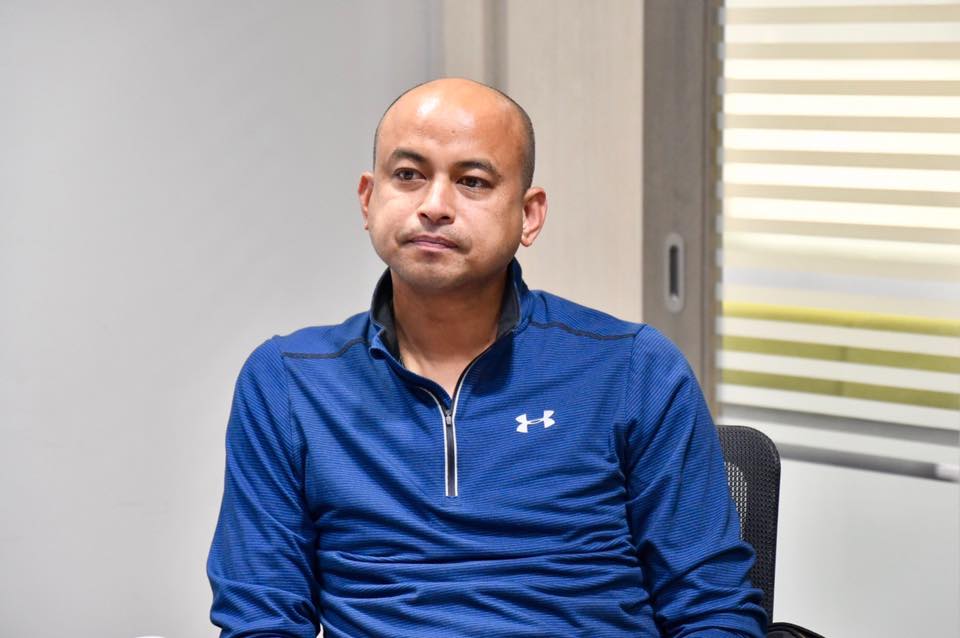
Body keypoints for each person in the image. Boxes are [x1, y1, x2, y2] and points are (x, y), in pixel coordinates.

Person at [207, 78, 766, 638]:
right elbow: (261, 617)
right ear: (368, 199)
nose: (434, 207)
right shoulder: (288, 381)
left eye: (472, 181)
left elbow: (711, 611)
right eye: (408, 175)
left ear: (530, 215)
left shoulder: (634, 368)